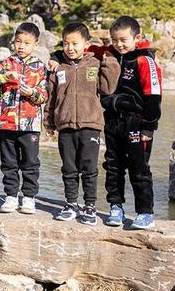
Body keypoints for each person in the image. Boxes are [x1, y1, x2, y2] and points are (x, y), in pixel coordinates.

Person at [44, 22, 120, 226]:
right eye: (66, 43)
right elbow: (51, 97)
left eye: (75, 43)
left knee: (89, 168)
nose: (70, 48)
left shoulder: (94, 63)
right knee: (69, 168)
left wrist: (109, 64)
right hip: (65, 125)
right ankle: (70, 204)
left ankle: (90, 206)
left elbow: (107, 89)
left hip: (91, 124)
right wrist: (48, 121)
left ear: (86, 43)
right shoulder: (59, 67)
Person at [95, 16, 162, 229]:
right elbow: (88, 49)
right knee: (113, 166)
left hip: (137, 123)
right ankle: (116, 206)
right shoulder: (111, 54)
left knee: (139, 167)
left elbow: (153, 95)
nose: (119, 44)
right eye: (114, 40)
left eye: (124, 40)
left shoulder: (144, 60)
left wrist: (148, 127)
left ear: (137, 38)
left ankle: (145, 212)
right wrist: (57, 55)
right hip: (113, 120)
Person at [0, 22, 48, 215]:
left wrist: (32, 93)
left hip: (31, 125)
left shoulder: (40, 67)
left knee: (30, 162)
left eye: (27, 43)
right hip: (7, 123)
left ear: (35, 44)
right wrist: (4, 76)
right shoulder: (7, 63)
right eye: (18, 41)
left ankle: (28, 198)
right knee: (9, 161)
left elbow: (44, 95)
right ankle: (10, 196)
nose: (21, 46)